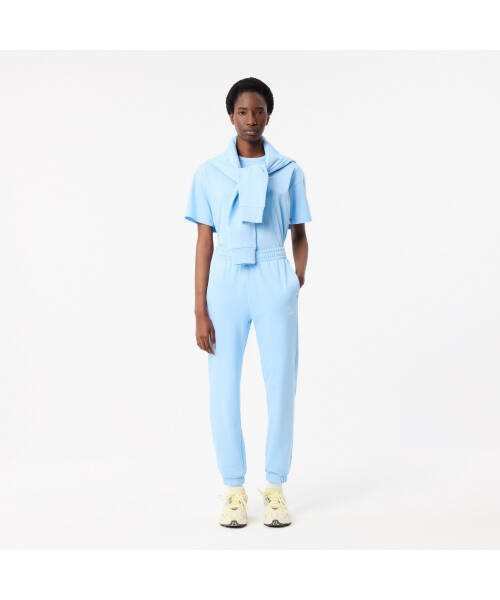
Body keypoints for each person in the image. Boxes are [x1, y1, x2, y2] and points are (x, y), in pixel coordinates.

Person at [184, 77, 311, 528]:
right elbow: (204, 243)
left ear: (268, 116)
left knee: (281, 384)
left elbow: (299, 233)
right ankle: (234, 490)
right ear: (231, 116)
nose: (251, 119)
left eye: (258, 111)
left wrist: (294, 280)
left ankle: (275, 488)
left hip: (274, 277)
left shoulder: (288, 170)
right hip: (226, 282)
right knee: (223, 386)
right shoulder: (209, 173)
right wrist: (200, 309)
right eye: (242, 112)